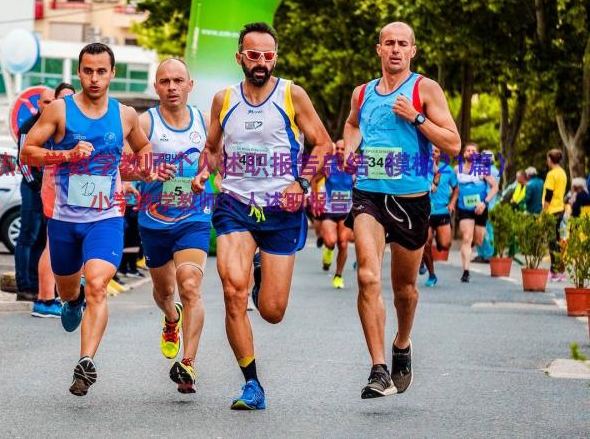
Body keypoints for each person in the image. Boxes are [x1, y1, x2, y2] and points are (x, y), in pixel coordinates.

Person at [192, 22, 333, 410]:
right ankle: (251, 383)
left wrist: (301, 185)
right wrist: (206, 170)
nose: (260, 62)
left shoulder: (292, 95)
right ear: (239, 57)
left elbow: (322, 144)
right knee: (231, 291)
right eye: (252, 55)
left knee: (271, 311)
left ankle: (259, 274)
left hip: (282, 209)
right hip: (235, 204)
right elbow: (212, 146)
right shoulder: (224, 100)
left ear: (275, 59)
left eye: (267, 56)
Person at [22, 43, 155, 397]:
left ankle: (86, 361)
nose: (94, 78)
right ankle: (71, 300)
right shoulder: (58, 111)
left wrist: (141, 170)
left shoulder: (125, 115)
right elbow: (28, 152)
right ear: (79, 73)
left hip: (106, 217)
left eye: (101, 71)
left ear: (112, 74)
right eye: (87, 70)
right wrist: (66, 154)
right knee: (71, 288)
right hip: (64, 219)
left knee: (97, 284)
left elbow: (144, 149)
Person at [342, 22, 461, 399]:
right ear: (378, 49)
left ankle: (402, 342)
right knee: (366, 275)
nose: (395, 49)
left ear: (413, 50)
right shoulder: (361, 93)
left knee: (404, 289)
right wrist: (348, 149)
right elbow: (351, 125)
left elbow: (454, 144)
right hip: (369, 195)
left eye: (402, 44)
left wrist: (417, 117)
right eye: (389, 43)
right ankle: (379, 369)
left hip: (411, 199)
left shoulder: (425, 89)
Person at [135, 58, 212, 394]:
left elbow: (216, 156)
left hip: (194, 214)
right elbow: (125, 164)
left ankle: (188, 364)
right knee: (166, 292)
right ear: (156, 87)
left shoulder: (204, 121)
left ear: (190, 85)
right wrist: (147, 172)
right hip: (154, 219)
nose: (172, 87)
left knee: (190, 284)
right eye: (165, 81)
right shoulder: (144, 122)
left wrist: (205, 174)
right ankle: (171, 319)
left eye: (178, 80)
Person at [24, 83, 77, 316]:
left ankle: (65, 296)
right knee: (50, 243)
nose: (67, 102)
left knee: (70, 243)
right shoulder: (49, 120)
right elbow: (26, 155)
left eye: (71, 97)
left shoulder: (74, 119)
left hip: (75, 188)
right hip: (55, 186)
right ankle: (44, 299)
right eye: (62, 98)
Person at [16, 88, 59, 314]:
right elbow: (23, 160)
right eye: (46, 101)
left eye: (52, 101)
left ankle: (37, 284)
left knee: (43, 239)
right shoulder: (29, 126)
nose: (49, 105)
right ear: (38, 103)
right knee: (27, 237)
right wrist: (36, 185)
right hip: (33, 188)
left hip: (48, 189)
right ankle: (23, 285)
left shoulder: (53, 125)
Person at [451, 143, 498, 283]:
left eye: (474, 151)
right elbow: (452, 186)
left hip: (480, 209)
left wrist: (485, 203)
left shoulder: (482, 170)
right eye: (468, 150)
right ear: (464, 154)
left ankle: (469, 249)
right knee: (466, 237)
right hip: (464, 209)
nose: (471, 152)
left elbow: (495, 187)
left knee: (478, 240)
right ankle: (466, 271)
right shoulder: (457, 169)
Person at [320, 139, 355, 289]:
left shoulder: (355, 167)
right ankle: (327, 251)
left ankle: (338, 275)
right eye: (338, 148)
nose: (340, 151)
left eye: (343, 149)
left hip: (346, 211)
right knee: (331, 242)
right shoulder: (328, 165)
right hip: (329, 210)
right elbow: (314, 181)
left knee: (343, 242)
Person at [421, 146, 456, 287]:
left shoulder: (448, 169)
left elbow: (456, 187)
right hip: (426, 212)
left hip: (442, 211)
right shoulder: (420, 167)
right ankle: (432, 274)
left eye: (436, 151)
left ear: (440, 154)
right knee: (426, 244)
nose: (433, 153)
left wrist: (452, 203)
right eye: (431, 151)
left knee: (445, 245)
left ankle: (438, 244)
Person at [543, 149, 568, 282]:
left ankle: (555, 271)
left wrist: (544, 212)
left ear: (550, 160)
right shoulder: (563, 173)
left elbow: (548, 195)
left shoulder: (551, 174)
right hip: (560, 208)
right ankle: (560, 271)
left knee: (552, 242)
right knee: (557, 240)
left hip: (552, 210)